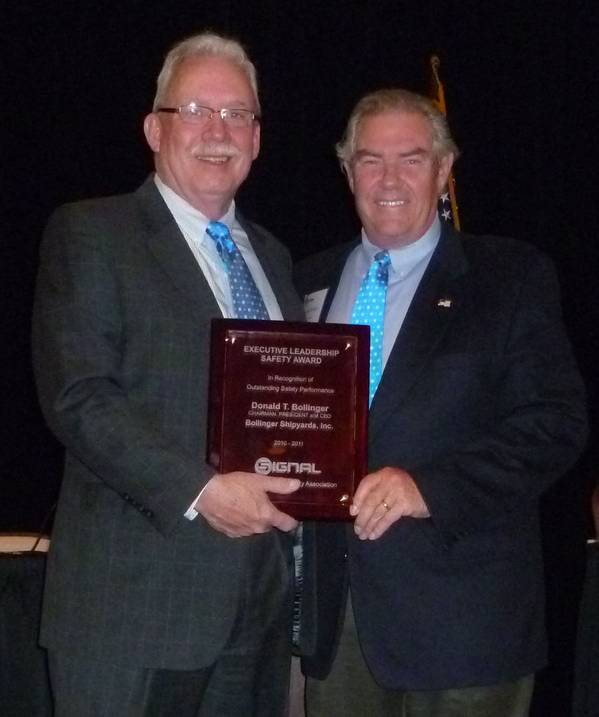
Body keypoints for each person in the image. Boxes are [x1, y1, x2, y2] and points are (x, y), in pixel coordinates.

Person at [32, 32, 303, 717]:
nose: (219, 130)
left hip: (258, 606)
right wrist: (202, 489)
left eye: (237, 114)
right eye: (196, 110)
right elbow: (79, 395)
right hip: (134, 609)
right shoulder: (94, 232)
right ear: (155, 128)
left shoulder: (272, 256)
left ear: (258, 137)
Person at [295, 88, 588, 717]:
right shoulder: (305, 281)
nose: (390, 178)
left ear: (445, 168)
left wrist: (428, 488)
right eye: (370, 160)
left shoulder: (510, 277)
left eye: (412, 158)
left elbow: (556, 424)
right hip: (338, 626)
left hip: (466, 630)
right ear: (348, 173)